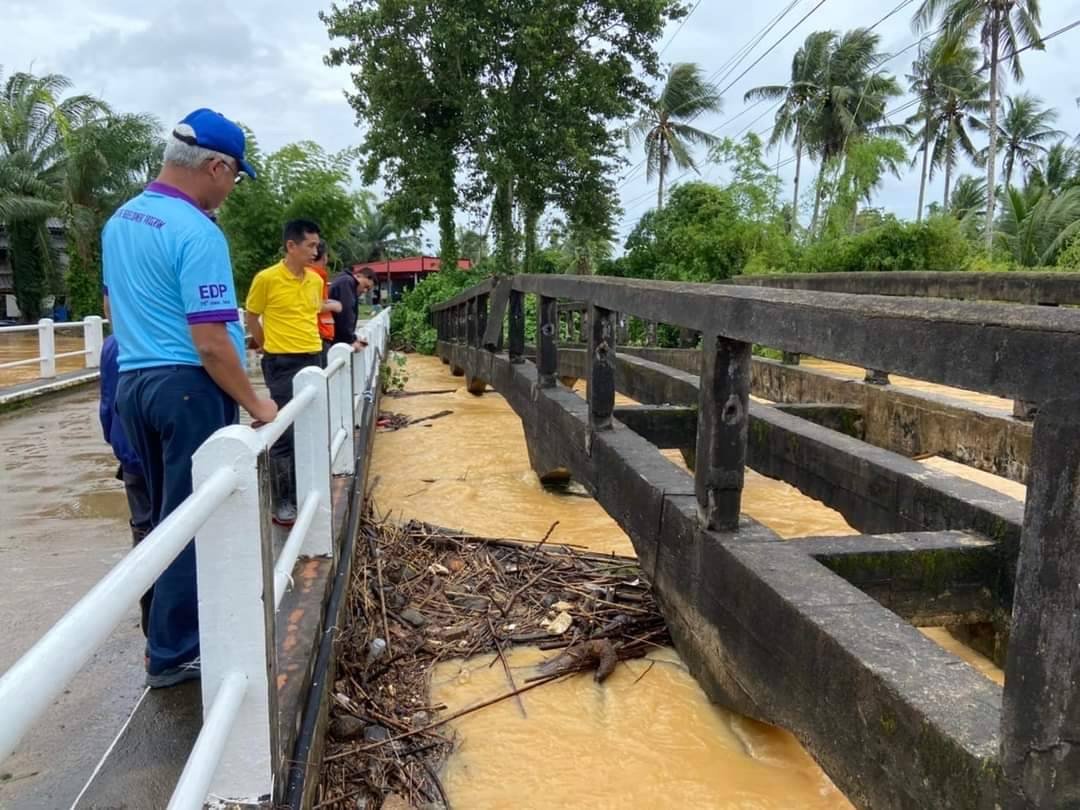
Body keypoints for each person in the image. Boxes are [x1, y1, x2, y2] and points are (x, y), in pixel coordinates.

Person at [103, 108, 278, 689]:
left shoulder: (121, 221)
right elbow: (210, 341)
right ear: (216, 166)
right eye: (233, 177)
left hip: (135, 384)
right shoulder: (196, 230)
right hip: (185, 389)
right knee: (194, 520)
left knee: (161, 518)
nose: (229, 189)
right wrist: (259, 405)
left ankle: (165, 637)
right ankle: (176, 653)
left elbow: (113, 312)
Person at [245, 220, 340, 526]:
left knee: (312, 425)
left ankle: (305, 489)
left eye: (317, 245)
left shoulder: (314, 280)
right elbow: (252, 316)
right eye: (310, 245)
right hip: (282, 362)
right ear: (291, 246)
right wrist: (265, 345)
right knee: (285, 431)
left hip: (313, 357)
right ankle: (282, 502)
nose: (316, 251)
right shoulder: (267, 279)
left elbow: (311, 313)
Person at [99, 333, 153, 636]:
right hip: (166, 455)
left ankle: (152, 629)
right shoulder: (172, 333)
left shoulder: (113, 343)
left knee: (145, 535)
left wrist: (117, 442)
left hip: (131, 454)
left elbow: (107, 403)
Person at [307, 240, 341, 364]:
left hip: (322, 334)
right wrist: (334, 306)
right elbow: (312, 305)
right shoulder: (312, 277)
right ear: (324, 256)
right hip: (319, 334)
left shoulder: (318, 276)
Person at [329, 266, 376, 348]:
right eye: (366, 286)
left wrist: (354, 338)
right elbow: (346, 313)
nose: (365, 291)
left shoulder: (347, 283)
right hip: (331, 340)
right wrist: (350, 340)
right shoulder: (347, 282)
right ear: (359, 276)